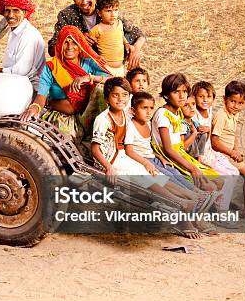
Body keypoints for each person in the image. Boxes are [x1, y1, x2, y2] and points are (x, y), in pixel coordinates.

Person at [90, 78, 211, 240]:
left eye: (124, 95)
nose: (120, 99)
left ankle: (188, 196)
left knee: (154, 173)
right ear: (107, 99)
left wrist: (146, 162)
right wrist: (108, 167)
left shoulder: (125, 115)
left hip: (122, 156)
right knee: (144, 177)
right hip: (110, 160)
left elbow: (129, 145)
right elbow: (95, 148)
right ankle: (179, 202)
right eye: (115, 96)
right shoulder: (103, 119)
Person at [20, 25, 109, 150]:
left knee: (101, 89)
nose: (69, 47)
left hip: (88, 115)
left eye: (74, 43)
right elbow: (41, 96)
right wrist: (34, 108)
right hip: (62, 117)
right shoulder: (52, 67)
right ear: (60, 44)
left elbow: (113, 80)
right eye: (66, 42)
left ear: (80, 46)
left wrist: (89, 78)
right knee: (66, 145)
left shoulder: (89, 63)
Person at [47, 0, 145, 69]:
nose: (84, 2)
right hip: (82, 68)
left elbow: (138, 34)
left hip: (112, 66)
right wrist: (77, 39)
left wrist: (135, 49)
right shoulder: (67, 15)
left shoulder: (109, 11)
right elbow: (52, 48)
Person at [150, 73, 224, 193]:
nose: (181, 96)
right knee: (208, 187)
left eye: (184, 91)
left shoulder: (178, 111)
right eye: (176, 92)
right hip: (169, 156)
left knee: (219, 180)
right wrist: (192, 168)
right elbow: (168, 149)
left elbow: (183, 138)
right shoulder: (163, 115)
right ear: (166, 95)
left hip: (180, 153)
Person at [192, 81, 239, 224]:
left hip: (211, 152)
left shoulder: (210, 111)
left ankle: (221, 204)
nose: (205, 100)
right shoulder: (194, 114)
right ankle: (221, 211)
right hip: (201, 155)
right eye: (201, 96)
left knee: (234, 173)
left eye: (209, 97)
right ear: (194, 97)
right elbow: (196, 141)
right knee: (225, 178)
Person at [211, 81, 245, 220]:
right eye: (232, 101)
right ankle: (227, 209)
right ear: (224, 99)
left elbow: (233, 134)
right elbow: (214, 142)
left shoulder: (234, 114)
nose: (236, 106)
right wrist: (231, 153)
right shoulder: (221, 116)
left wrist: (236, 150)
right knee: (243, 175)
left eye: (240, 103)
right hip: (220, 155)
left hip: (229, 154)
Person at [87, 0, 129, 76]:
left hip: (121, 67)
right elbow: (87, 47)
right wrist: (96, 56)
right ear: (99, 13)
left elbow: (121, 35)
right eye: (108, 11)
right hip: (106, 68)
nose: (113, 14)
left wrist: (126, 43)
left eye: (116, 10)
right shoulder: (97, 29)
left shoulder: (119, 23)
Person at [181, 94, 206, 159]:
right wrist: (194, 134)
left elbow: (204, 139)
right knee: (190, 134)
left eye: (193, 104)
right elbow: (182, 147)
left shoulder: (194, 121)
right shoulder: (181, 124)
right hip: (185, 154)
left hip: (196, 152)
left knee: (203, 133)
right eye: (186, 105)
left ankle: (199, 157)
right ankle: (194, 159)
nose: (191, 107)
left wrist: (207, 130)